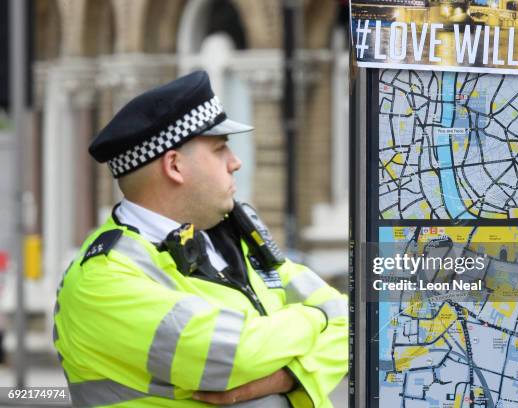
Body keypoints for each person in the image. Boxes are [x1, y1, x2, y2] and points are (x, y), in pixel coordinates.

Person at [53, 70, 348, 407]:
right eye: (220, 149)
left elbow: (349, 321)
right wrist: (316, 320)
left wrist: (289, 377)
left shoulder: (232, 238)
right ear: (175, 166)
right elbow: (235, 355)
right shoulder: (102, 278)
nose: (235, 162)